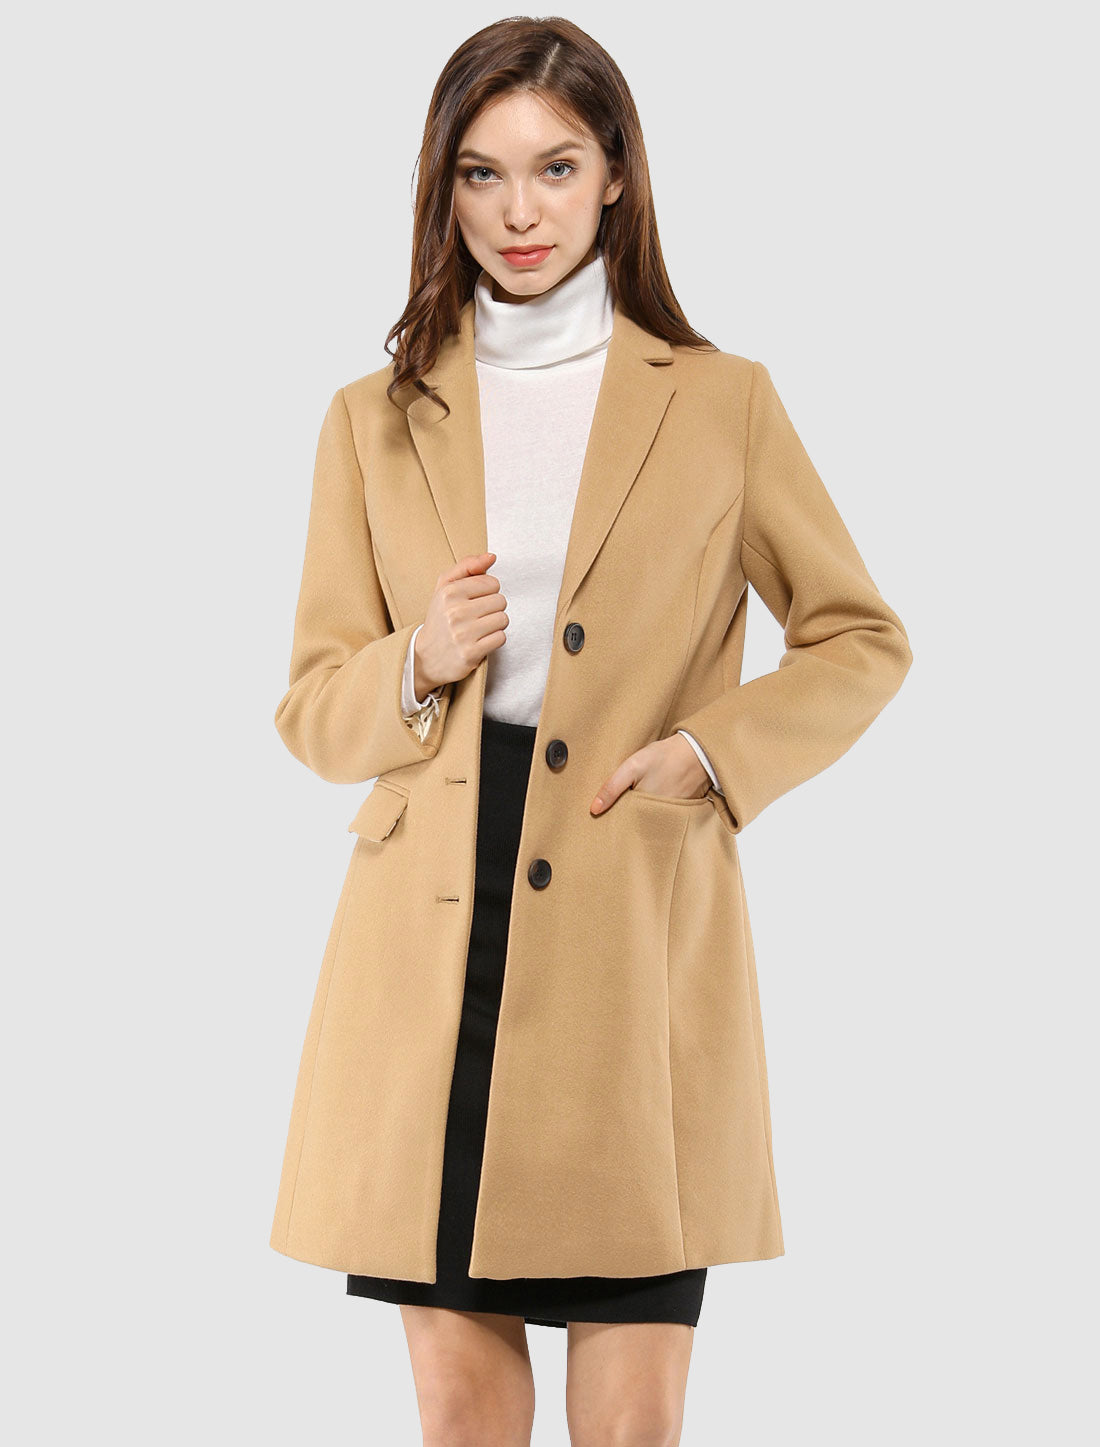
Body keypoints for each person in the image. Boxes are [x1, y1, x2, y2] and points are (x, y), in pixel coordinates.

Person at [269, 16, 912, 1447]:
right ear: (442, 189)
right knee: (462, 1413)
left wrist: (713, 756)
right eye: (482, 174)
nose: (521, 212)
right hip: (431, 946)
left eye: (556, 168)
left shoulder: (722, 403)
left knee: (632, 1424)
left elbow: (860, 636)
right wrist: (417, 661)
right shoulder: (373, 418)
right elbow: (312, 709)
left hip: (630, 925)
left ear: (617, 174)